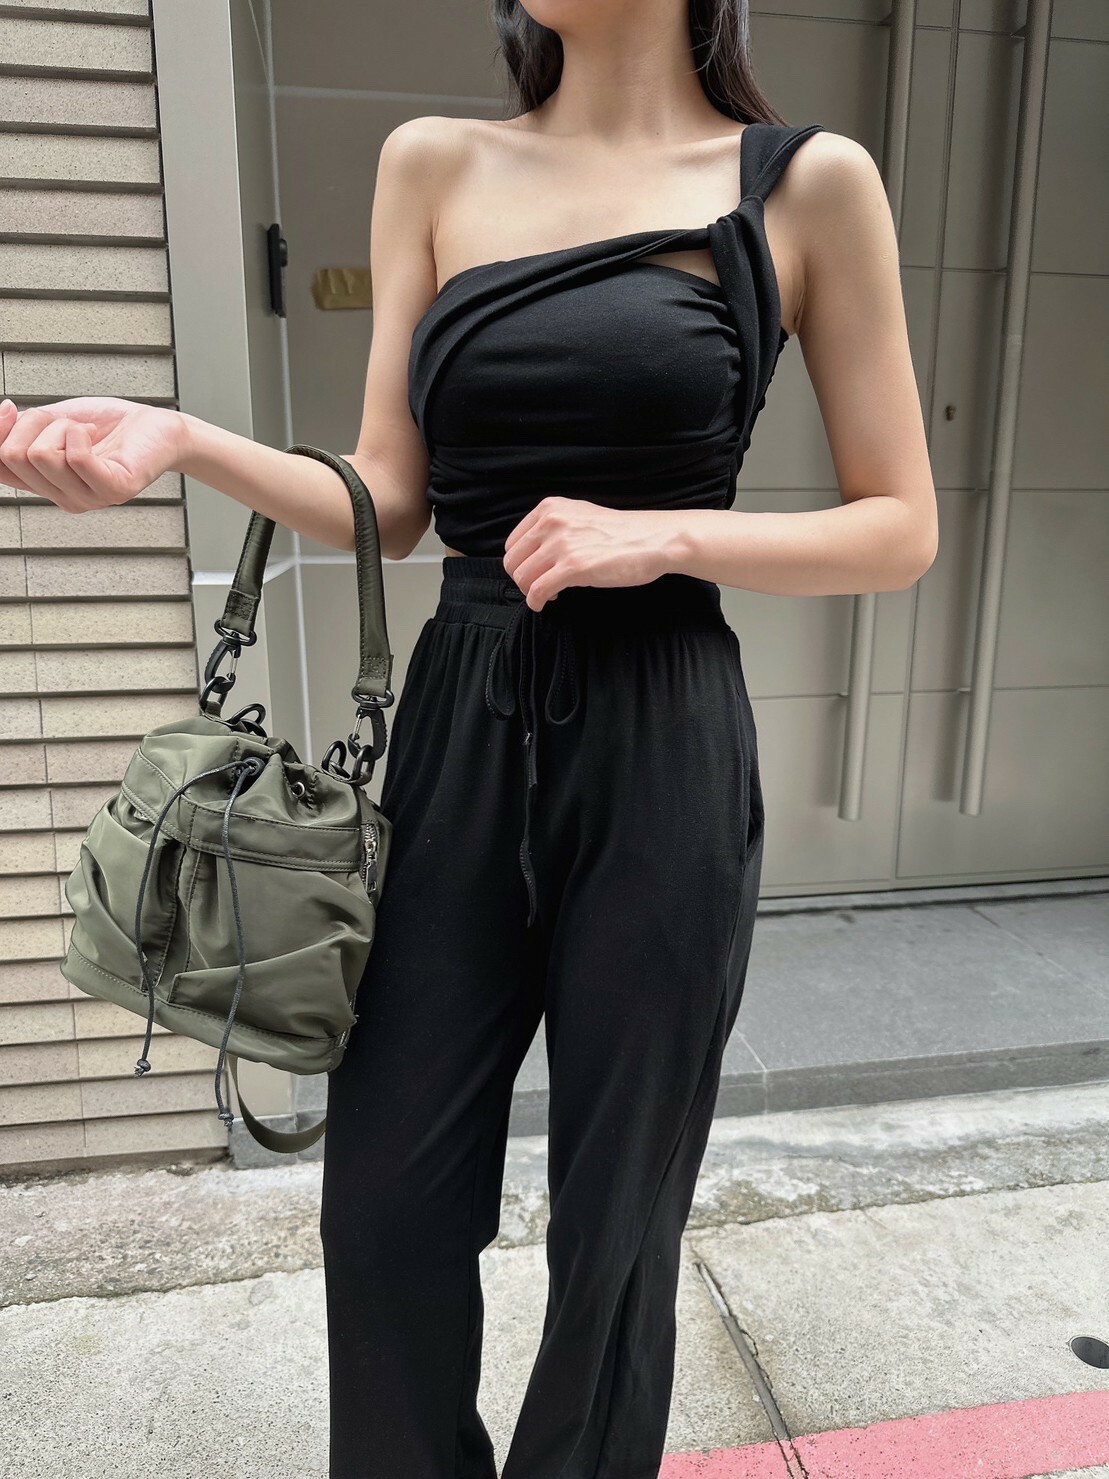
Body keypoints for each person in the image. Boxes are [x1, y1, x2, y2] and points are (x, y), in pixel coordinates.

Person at [0, 1, 937, 1474]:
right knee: (385, 1201)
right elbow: (391, 501)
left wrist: (666, 534)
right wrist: (183, 441)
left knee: (618, 1220)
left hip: (662, 730)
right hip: (462, 714)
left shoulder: (806, 183)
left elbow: (900, 526)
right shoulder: (433, 163)